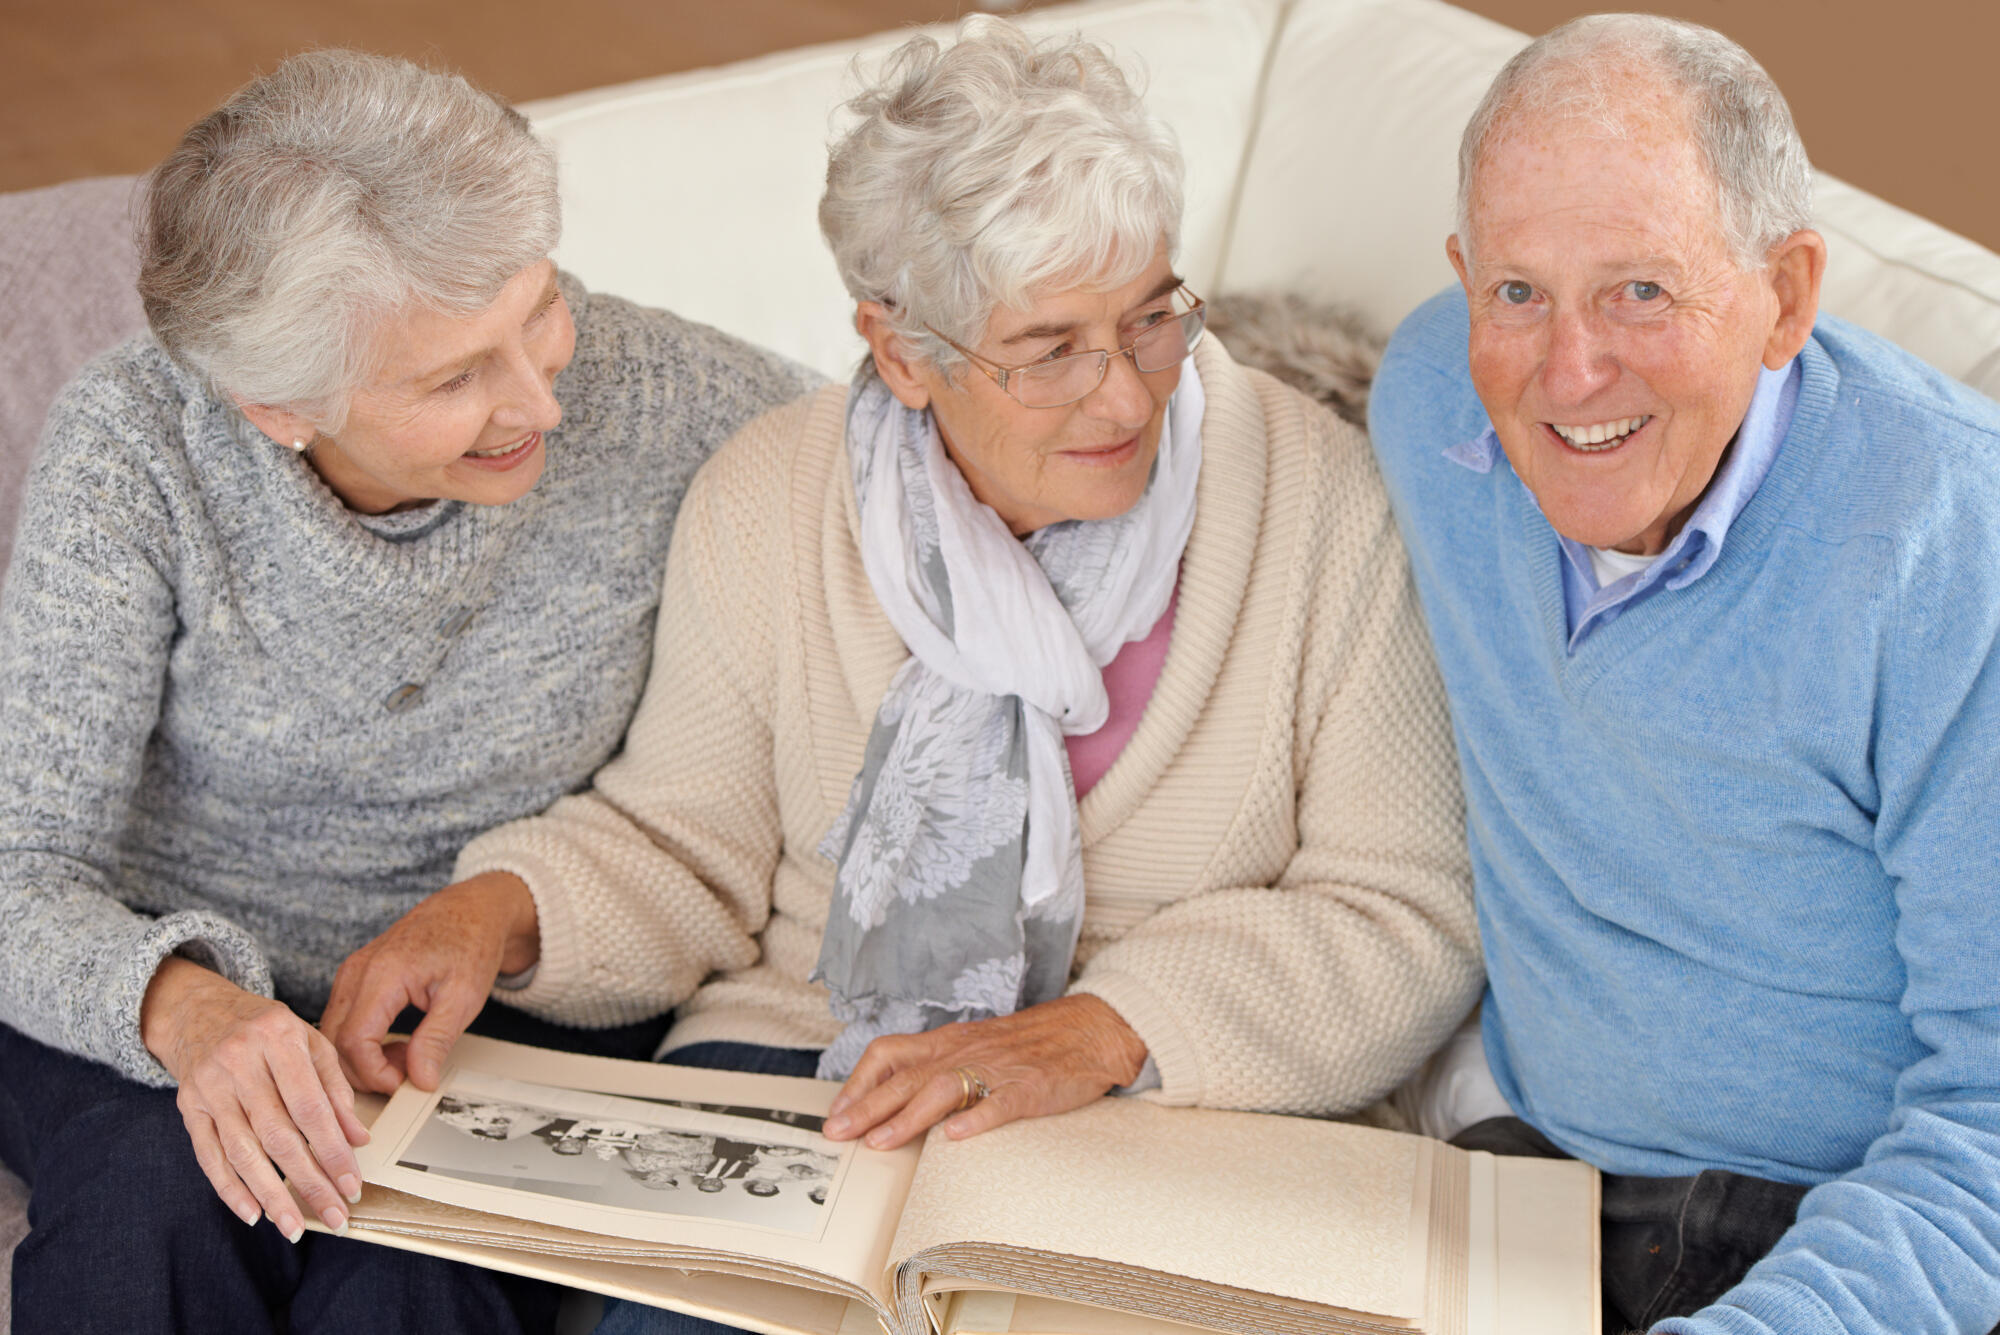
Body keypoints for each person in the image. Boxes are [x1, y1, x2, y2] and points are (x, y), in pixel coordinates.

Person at [326, 16, 1483, 1335]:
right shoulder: (769, 494)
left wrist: (1101, 1028)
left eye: (1150, 319)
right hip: (808, 1072)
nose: (1124, 398)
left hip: (1175, 1100)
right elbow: (688, 844)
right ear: (898, 349)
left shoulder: (1316, 498)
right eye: (1049, 349)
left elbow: (1407, 910)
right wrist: (495, 912)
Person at [0, 48, 810, 1335]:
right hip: (155, 978)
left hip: (501, 1001)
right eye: (452, 378)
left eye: (539, 309)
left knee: (420, 1274)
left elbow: (903, 473)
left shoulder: (692, 404)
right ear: (276, 406)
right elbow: (20, 865)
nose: (540, 400)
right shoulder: (135, 448)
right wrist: (184, 1005)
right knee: (149, 1198)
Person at [1368, 15, 2000, 1334]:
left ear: (1788, 294)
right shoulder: (1429, 398)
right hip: (1518, 1180)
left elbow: (1990, 1127)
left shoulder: (1953, 547)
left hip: (1825, 1231)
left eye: (1640, 291)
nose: (1570, 372)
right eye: (1517, 291)